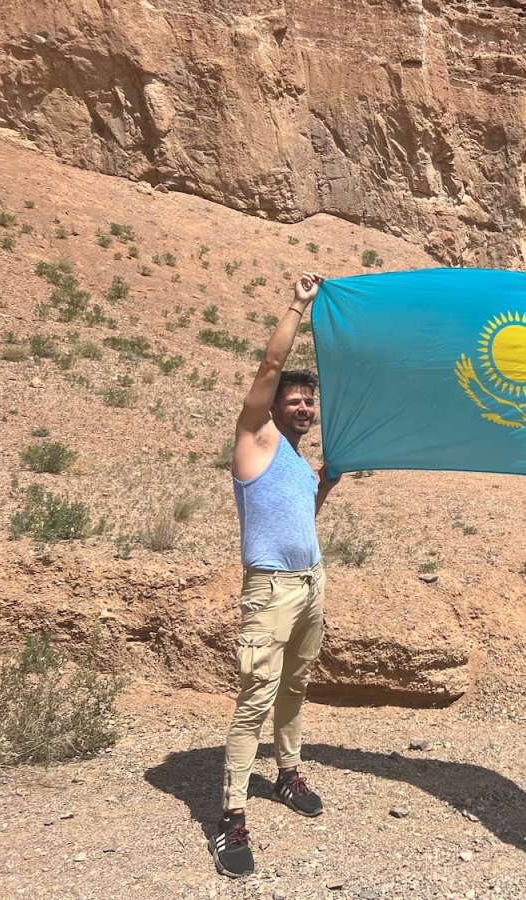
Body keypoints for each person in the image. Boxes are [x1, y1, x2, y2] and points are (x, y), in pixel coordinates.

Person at [212, 271, 342, 878]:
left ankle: (287, 772)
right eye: (294, 398)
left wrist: (325, 489)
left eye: (309, 400)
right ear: (274, 404)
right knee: (253, 700)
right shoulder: (253, 440)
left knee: (296, 686)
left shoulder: (294, 458)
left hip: (310, 582)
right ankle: (230, 816)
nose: (303, 406)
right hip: (269, 590)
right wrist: (299, 307)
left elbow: (297, 519)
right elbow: (268, 365)